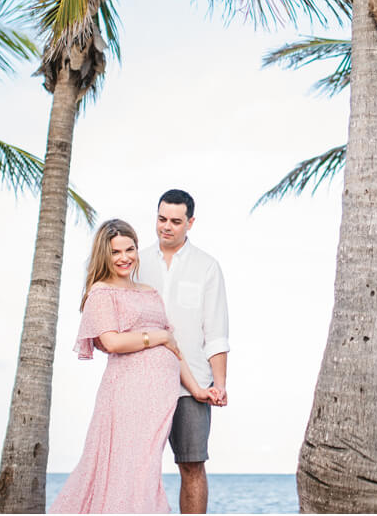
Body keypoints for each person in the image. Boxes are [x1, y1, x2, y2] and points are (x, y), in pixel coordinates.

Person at [50, 219, 218, 514]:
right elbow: (112, 343)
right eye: (116, 252)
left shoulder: (149, 293)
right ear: (105, 255)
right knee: (125, 470)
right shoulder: (101, 293)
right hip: (127, 397)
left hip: (160, 401)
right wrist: (157, 335)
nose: (125, 257)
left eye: (130, 249)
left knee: (144, 470)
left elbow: (173, 349)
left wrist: (197, 389)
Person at [138, 190, 229, 515]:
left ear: (190, 222)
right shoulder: (137, 262)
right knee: (138, 469)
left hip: (193, 388)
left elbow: (216, 333)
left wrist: (218, 384)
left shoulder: (207, 267)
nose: (167, 227)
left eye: (176, 221)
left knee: (192, 466)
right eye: (162, 219)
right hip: (142, 382)